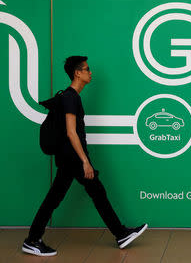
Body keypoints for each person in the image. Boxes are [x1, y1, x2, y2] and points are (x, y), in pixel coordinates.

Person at [22, 56, 147, 257]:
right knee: (94, 193)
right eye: (87, 69)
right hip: (73, 158)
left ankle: (33, 239)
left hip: (68, 158)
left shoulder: (69, 96)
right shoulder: (71, 97)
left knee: (66, 196)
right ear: (77, 73)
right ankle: (120, 233)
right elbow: (72, 132)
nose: (91, 73)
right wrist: (85, 161)